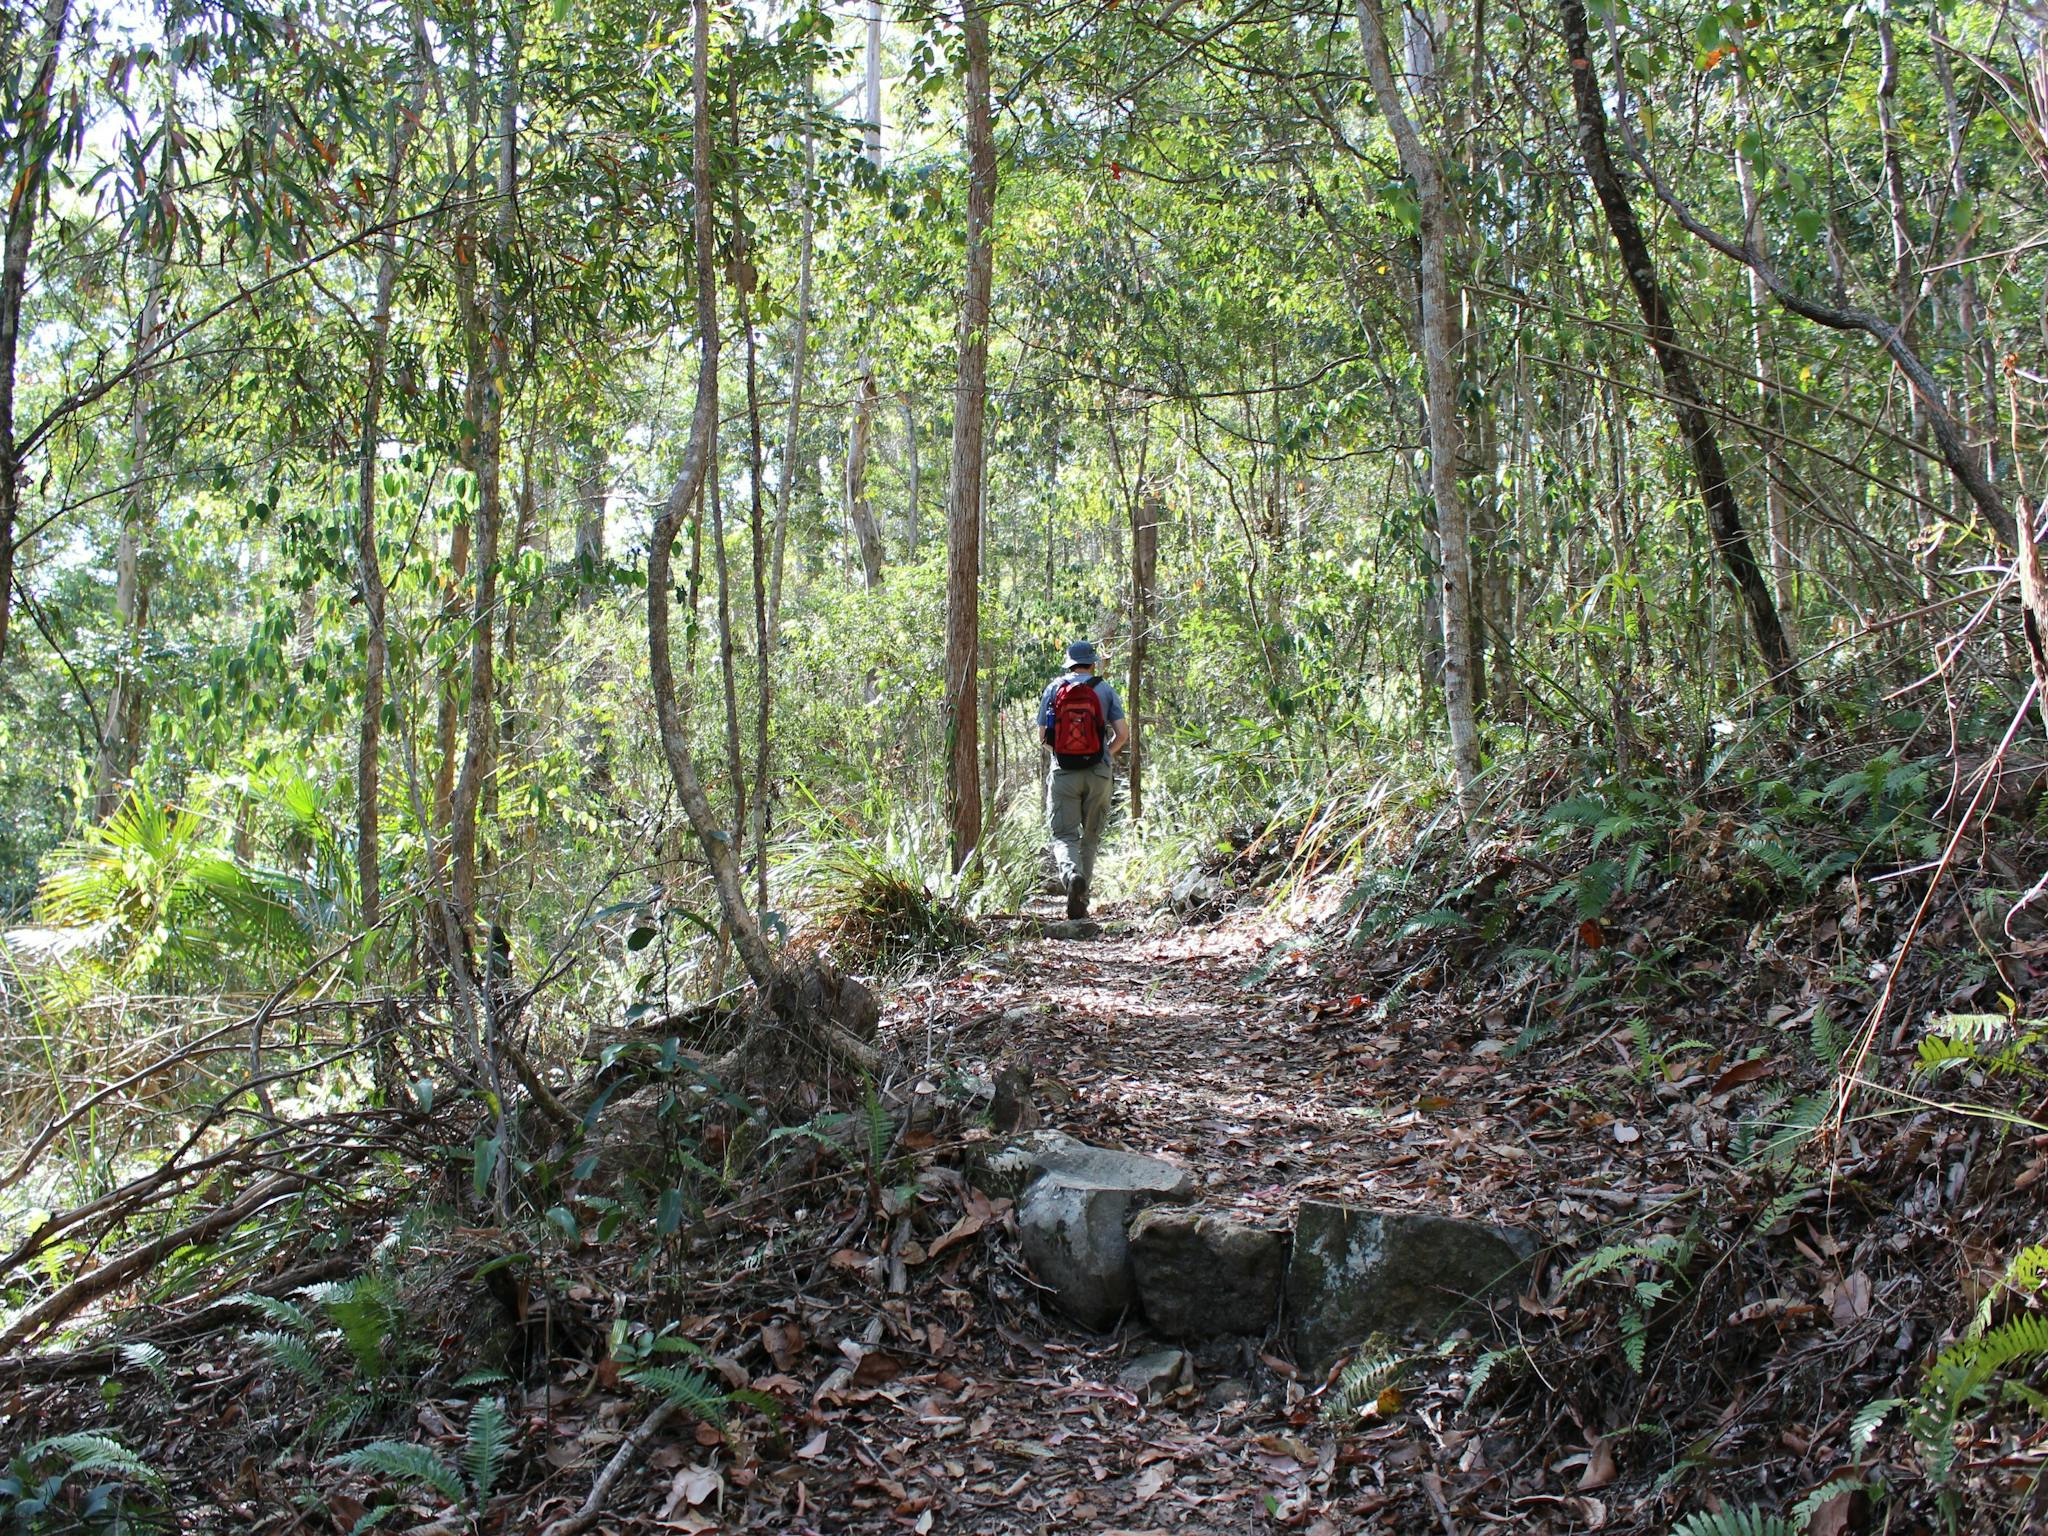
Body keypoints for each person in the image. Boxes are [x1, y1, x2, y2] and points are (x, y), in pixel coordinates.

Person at [1037, 640, 1129, 919]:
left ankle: (1071, 875)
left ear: (1069, 662)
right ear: (1093, 663)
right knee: (1090, 839)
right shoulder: (1105, 689)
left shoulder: (1054, 689)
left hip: (1064, 772)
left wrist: (1063, 756)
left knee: (1064, 835)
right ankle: (1081, 901)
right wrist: (1104, 754)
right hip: (1099, 773)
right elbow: (1122, 734)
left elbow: (1043, 738)